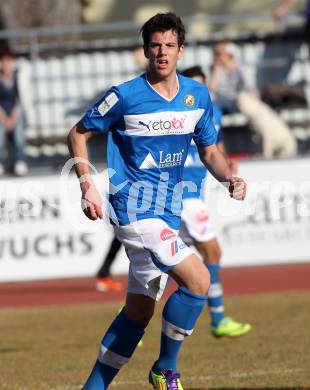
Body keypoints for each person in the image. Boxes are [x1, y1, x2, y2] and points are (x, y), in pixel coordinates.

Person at [67, 12, 247, 390]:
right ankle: (165, 370)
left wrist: (228, 175)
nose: (162, 53)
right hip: (134, 209)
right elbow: (78, 133)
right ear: (146, 50)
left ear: (181, 50)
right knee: (197, 279)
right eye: (155, 46)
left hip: (168, 210)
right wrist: (87, 184)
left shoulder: (196, 96)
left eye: (169, 46)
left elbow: (209, 150)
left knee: (138, 313)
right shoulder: (125, 96)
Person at [180, 65, 251, 338]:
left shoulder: (213, 113)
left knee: (162, 265)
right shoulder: (177, 114)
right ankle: (218, 318)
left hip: (195, 193)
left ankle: (129, 322)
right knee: (212, 253)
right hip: (181, 195)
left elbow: (215, 146)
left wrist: (228, 170)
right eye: (192, 85)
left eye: (201, 86)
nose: (196, 92)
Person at [209, 40, 297, 159]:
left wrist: (232, 66)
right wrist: (217, 68)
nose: (218, 56)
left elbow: (249, 86)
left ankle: (269, 141)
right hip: (226, 103)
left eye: (221, 53)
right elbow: (213, 88)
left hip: (240, 101)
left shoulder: (238, 66)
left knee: (249, 104)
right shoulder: (216, 69)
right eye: (217, 53)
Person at [0, 47, 28, 176]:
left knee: (19, 134)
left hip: (16, 113)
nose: (7, 65)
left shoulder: (19, 76)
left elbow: (21, 100)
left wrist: (13, 118)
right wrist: (4, 118)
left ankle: (20, 161)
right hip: (2, 114)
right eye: (4, 62)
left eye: (9, 61)